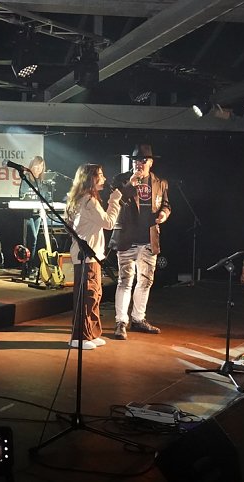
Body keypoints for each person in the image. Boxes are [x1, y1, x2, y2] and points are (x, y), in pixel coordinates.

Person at [108, 144, 171, 340]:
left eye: (143, 161)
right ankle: (121, 322)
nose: (139, 164)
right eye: (136, 160)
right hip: (127, 238)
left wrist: (164, 214)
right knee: (125, 281)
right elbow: (118, 200)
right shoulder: (121, 179)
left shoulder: (160, 182)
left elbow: (166, 204)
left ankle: (138, 318)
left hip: (149, 239)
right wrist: (131, 183)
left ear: (151, 162)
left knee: (145, 281)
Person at [64, 164, 117, 350]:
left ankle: (91, 333)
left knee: (93, 294)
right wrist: (114, 201)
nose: (104, 178)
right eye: (100, 175)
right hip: (86, 256)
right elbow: (109, 223)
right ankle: (80, 337)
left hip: (90, 254)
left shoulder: (81, 199)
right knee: (87, 296)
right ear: (90, 179)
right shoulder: (88, 201)